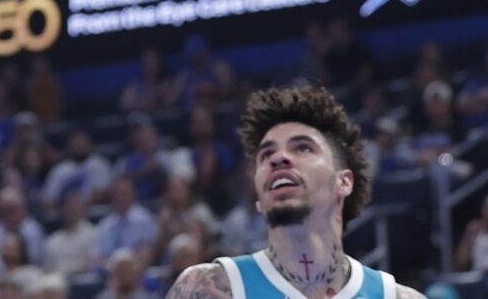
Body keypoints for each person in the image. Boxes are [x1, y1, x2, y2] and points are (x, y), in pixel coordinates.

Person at [166, 84, 422, 299]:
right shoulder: (209, 288)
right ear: (259, 199)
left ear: (343, 182)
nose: (278, 158)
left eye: (302, 148)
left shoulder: (397, 297)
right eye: (266, 154)